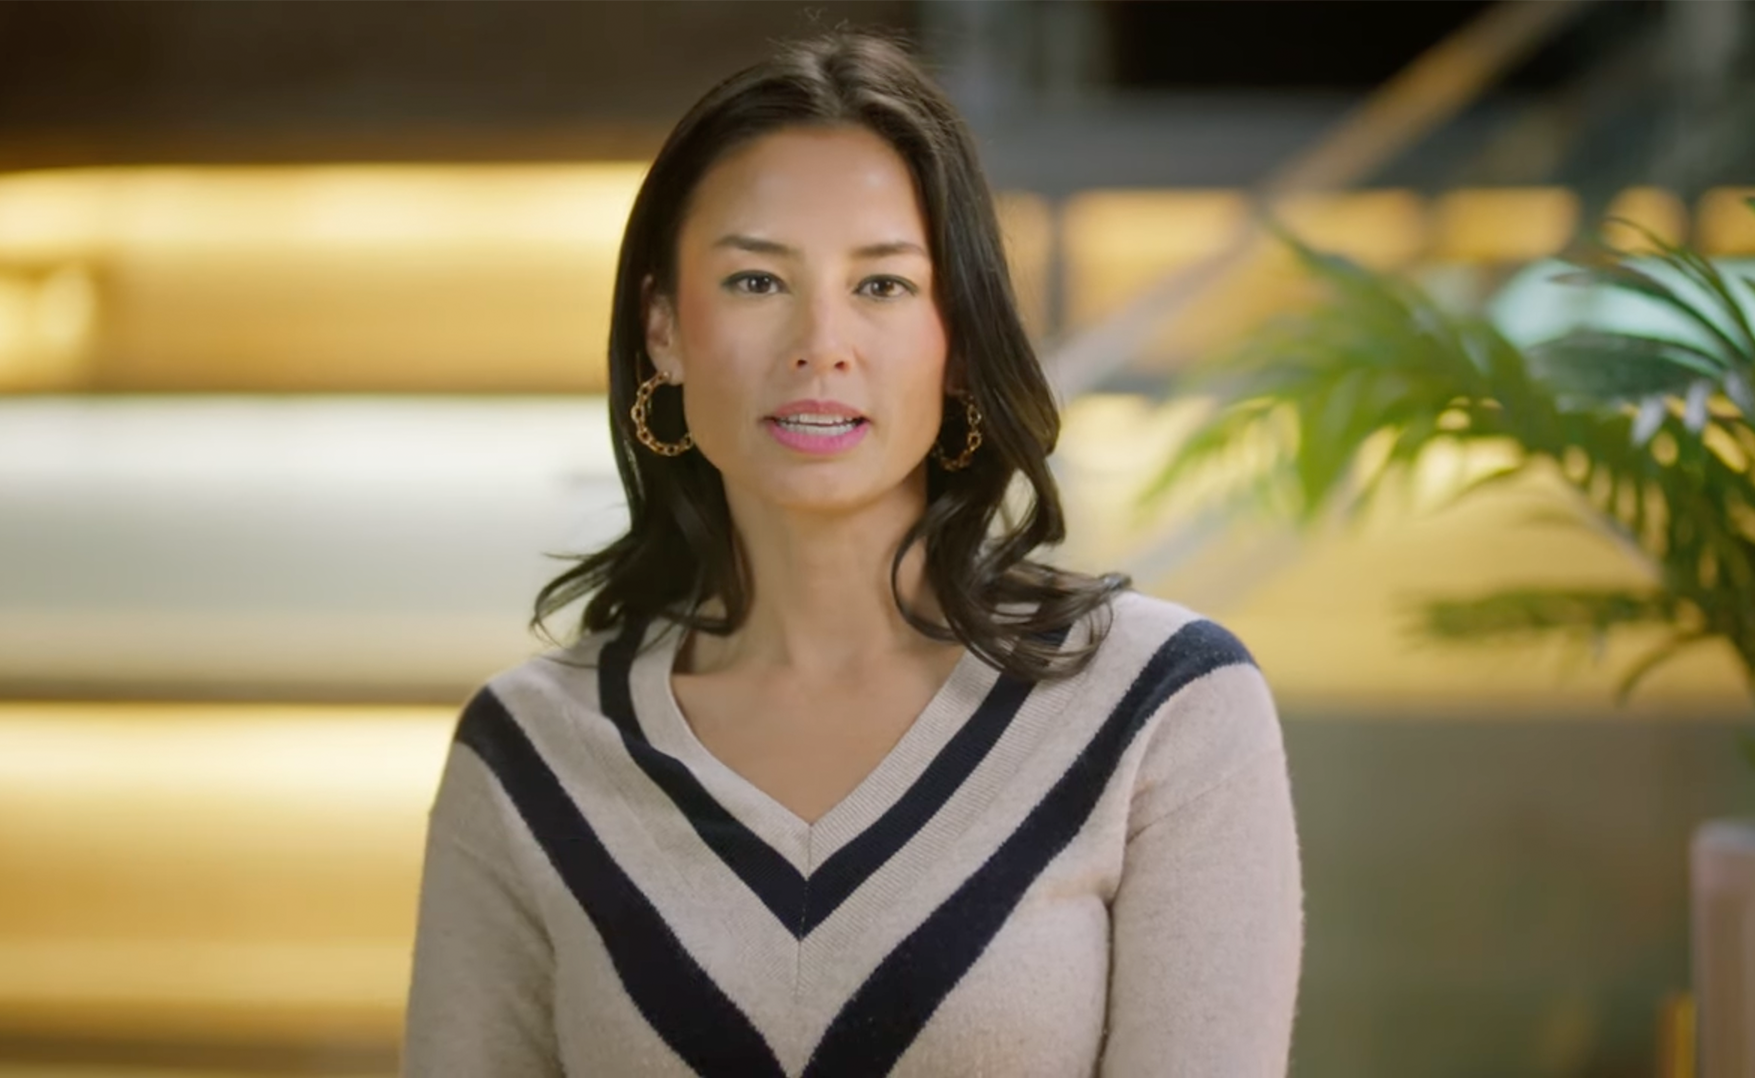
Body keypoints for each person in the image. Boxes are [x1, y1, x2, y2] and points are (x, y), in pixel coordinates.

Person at [401, 31, 1302, 1077]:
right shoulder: (528, 752)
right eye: (753, 281)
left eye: (881, 287)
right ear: (663, 330)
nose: (820, 342)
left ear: (955, 339)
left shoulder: (1163, 711)